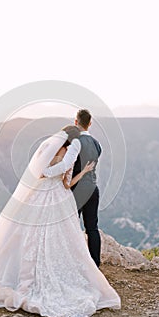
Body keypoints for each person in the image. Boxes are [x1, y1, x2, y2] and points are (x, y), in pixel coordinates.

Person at [0, 126, 120, 317]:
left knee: (27, 232)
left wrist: (47, 174)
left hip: (38, 194)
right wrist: (84, 172)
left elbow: (41, 172)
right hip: (59, 198)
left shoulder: (48, 149)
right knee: (61, 236)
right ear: (72, 141)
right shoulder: (69, 155)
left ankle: (20, 272)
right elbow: (66, 182)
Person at [43, 110, 102, 267]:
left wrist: (46, 173)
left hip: (76, 189)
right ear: (90, 123)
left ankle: (69, 262)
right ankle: (95, 264)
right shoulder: (97, 144)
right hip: (93, 188)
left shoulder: (76, 142)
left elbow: (66, 165)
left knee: (70, 227)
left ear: (76, 122)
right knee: (92, 228)